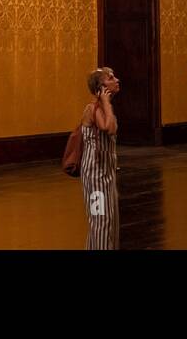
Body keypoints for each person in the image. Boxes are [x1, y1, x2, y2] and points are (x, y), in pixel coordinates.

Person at [80, 67, 119, 250]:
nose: (116, 80)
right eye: (111, 78)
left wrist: (107, 104)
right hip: (95, 177)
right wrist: (106, 103)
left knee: (108, 221)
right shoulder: (93, 108)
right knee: (100, 223)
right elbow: (107, 127)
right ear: (101, 87)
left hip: (107, 174)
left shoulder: (104, 108)